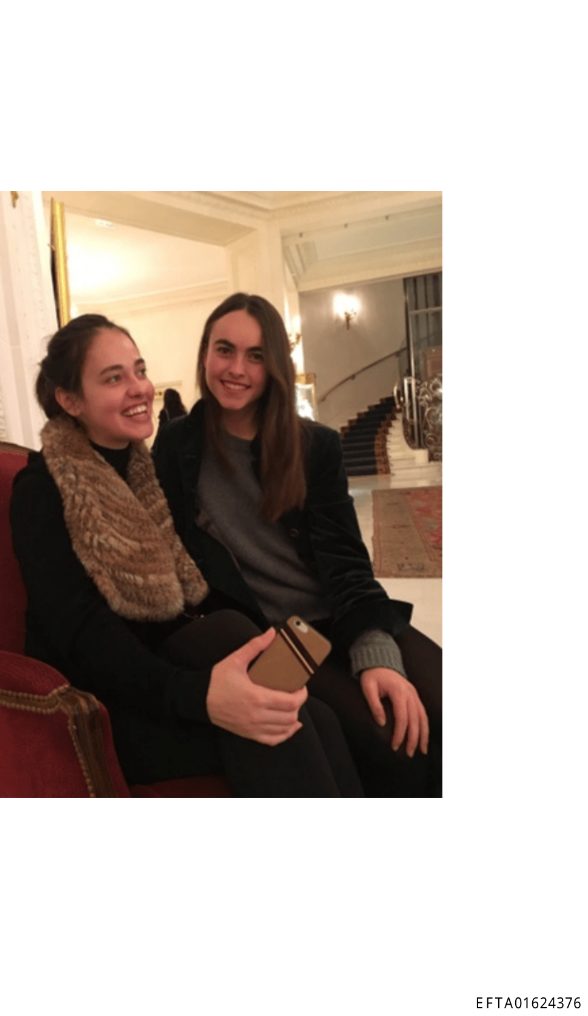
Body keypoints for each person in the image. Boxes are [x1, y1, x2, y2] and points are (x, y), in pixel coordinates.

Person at [9, 313, 365, 797]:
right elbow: (82, 634)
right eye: (113, 378)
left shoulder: (143, 472)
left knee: (314, 712)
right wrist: (202, 696)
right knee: (278, 727)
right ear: (69, 401)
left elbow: (186, 594)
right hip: (105, 699)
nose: (140, 388)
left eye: (139, 370)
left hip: (163, 672)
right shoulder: (42, 487)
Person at [152, 293, 442, 797]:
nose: (236, 369)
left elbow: (348, 563)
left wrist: (375, 652)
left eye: (256, 355)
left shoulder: (314, 446)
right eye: (224, 350)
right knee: (395, 739)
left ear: (275, 368)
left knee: (440, 701)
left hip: (341, 614)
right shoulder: (177, 447)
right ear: (205, 354)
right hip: (276, 637)